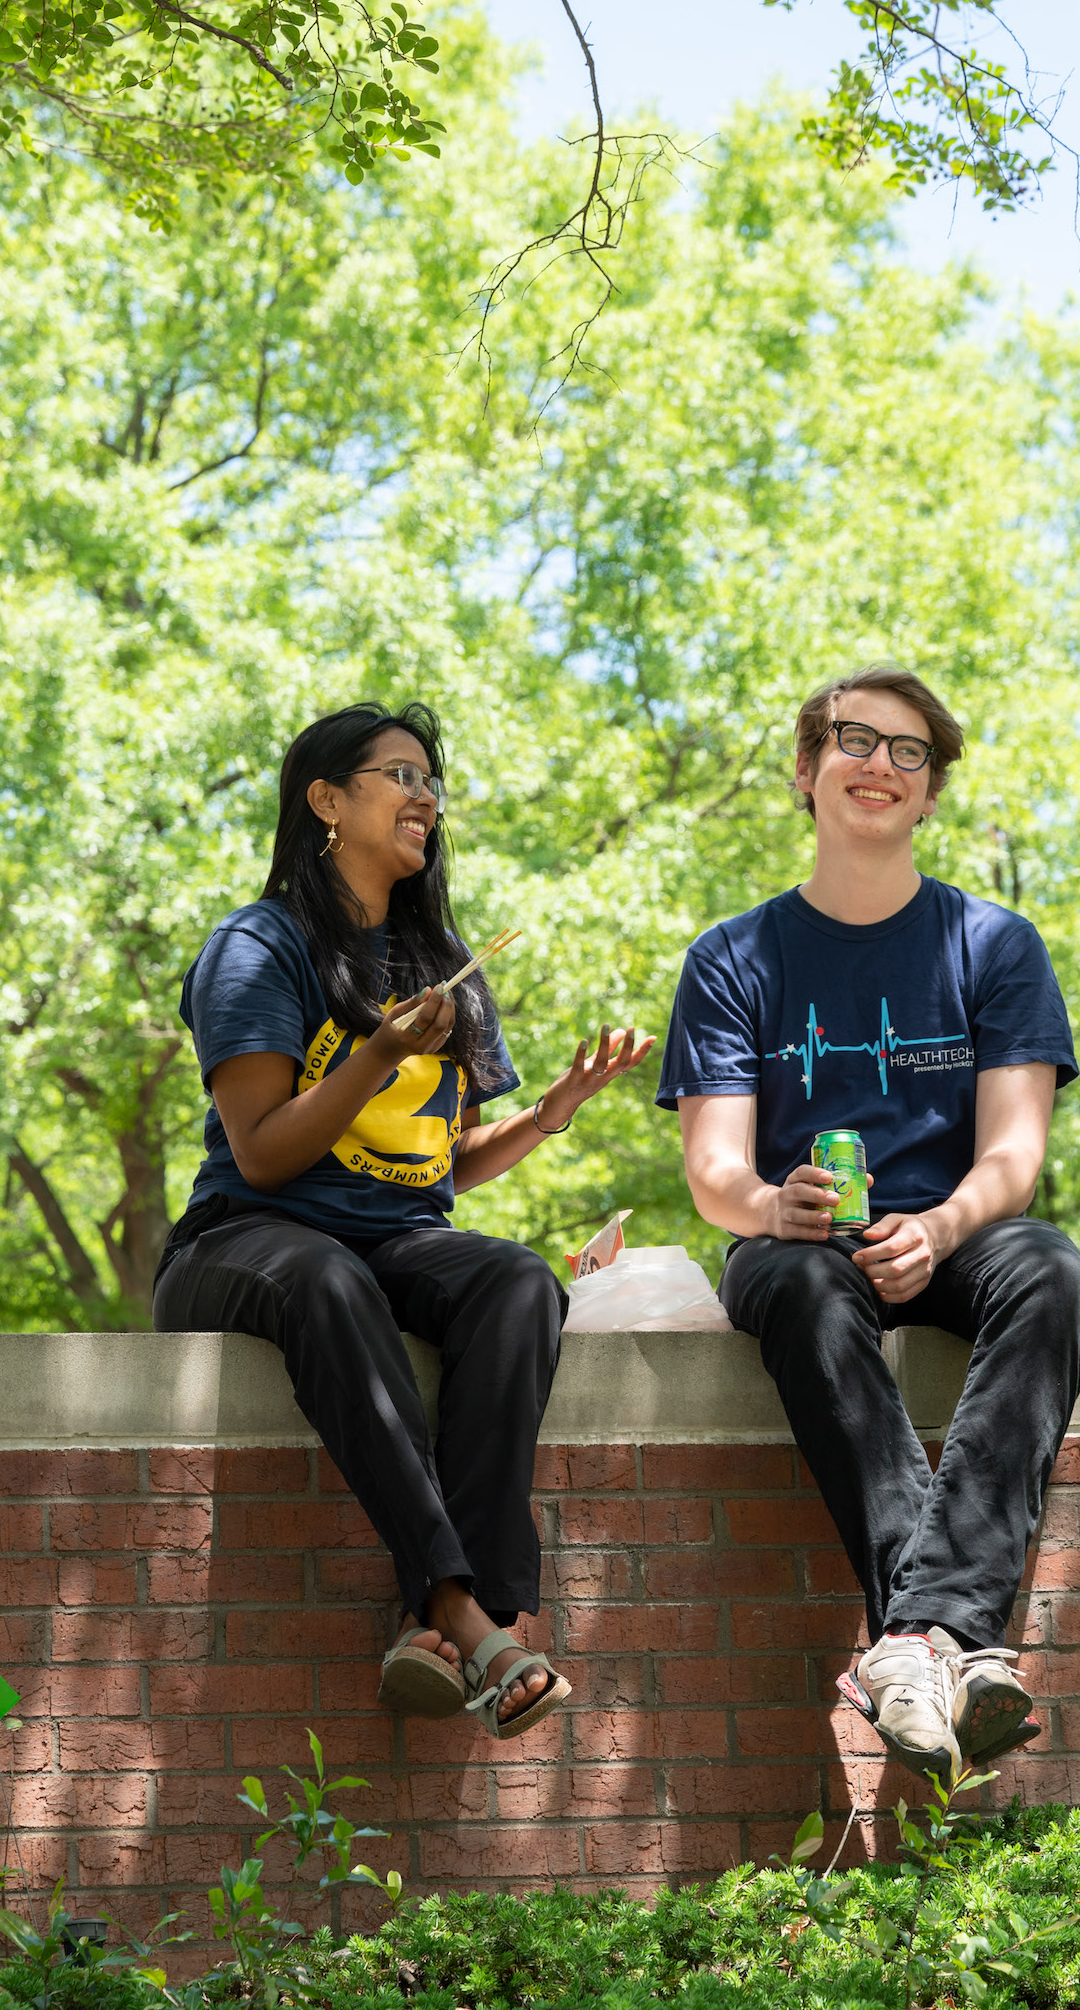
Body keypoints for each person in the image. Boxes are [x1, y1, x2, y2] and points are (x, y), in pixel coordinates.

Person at [155, 701, 650, 1739]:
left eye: (433, 779)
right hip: (243, 1239)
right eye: (399, 773)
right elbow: (263, 1148)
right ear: (327, 799)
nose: (426, 796)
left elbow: (440, 1164)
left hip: (392, 1240)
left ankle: (458, 1616)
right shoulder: (258, 944)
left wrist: (549, 1113)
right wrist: (376, 1051)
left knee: (516, 1278)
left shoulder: (442, 957)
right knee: (325, 1275)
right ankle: (472, 1612)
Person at [657, 665, 1080, 1786]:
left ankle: (910, 1641)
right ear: (806, 773)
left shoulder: (993, 944)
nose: (880, 765)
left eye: (910, 752)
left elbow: (1013, 1155)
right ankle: (957, 1639)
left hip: (948, 1228)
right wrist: (770, 1203)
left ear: (931, 792)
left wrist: (943, 1229)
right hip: (795, 1240)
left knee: (1047, 1267)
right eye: (854, 740)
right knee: (797, 1283)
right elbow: (713, 1168)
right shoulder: (734, 957)